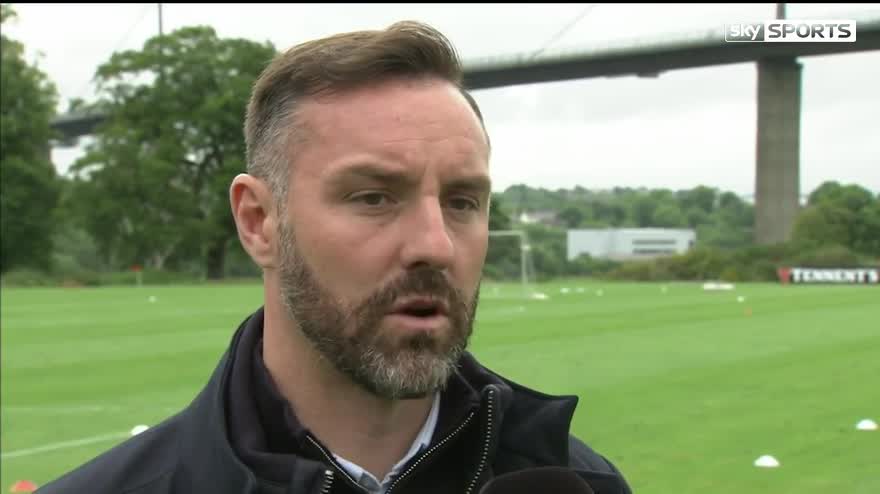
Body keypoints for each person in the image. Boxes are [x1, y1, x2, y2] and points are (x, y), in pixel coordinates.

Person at [37, 21, 632, 494]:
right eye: (374, 197)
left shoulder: (586, 482)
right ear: (258, 222)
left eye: (462, 201)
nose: (435, 245)